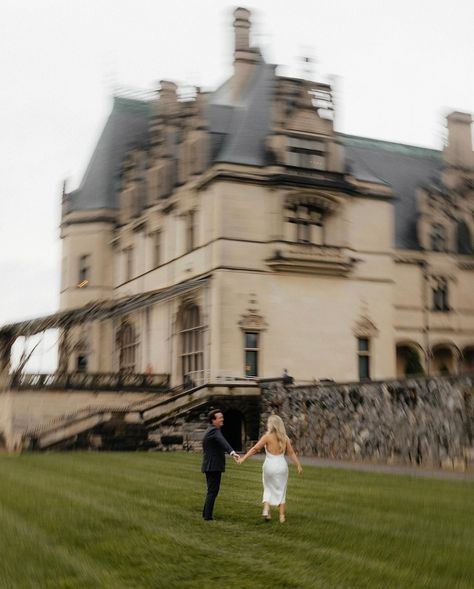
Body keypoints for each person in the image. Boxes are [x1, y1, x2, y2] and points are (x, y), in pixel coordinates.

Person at [239, 414, 302, 523]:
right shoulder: (285, 438)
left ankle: (266, 509)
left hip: (269, 466)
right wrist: (298, 465)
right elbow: (291, 453)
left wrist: (243, 458)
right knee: (282, 490)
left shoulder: (267, 437)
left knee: (268, 488)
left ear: (271, 425)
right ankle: (282, 516)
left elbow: (255, 449)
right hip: (282, 466)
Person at [201, 409, 240, 521]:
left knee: (211, 491)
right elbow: (223, 442)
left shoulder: (210, 429)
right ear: (213, 420)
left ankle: (206, 513)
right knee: (213, 491)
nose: (222, 419)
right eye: (220, 418)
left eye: (222, 417)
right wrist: (233, 452)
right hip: (213, 466)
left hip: (209, 465)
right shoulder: (214, 431)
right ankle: (207, 516)